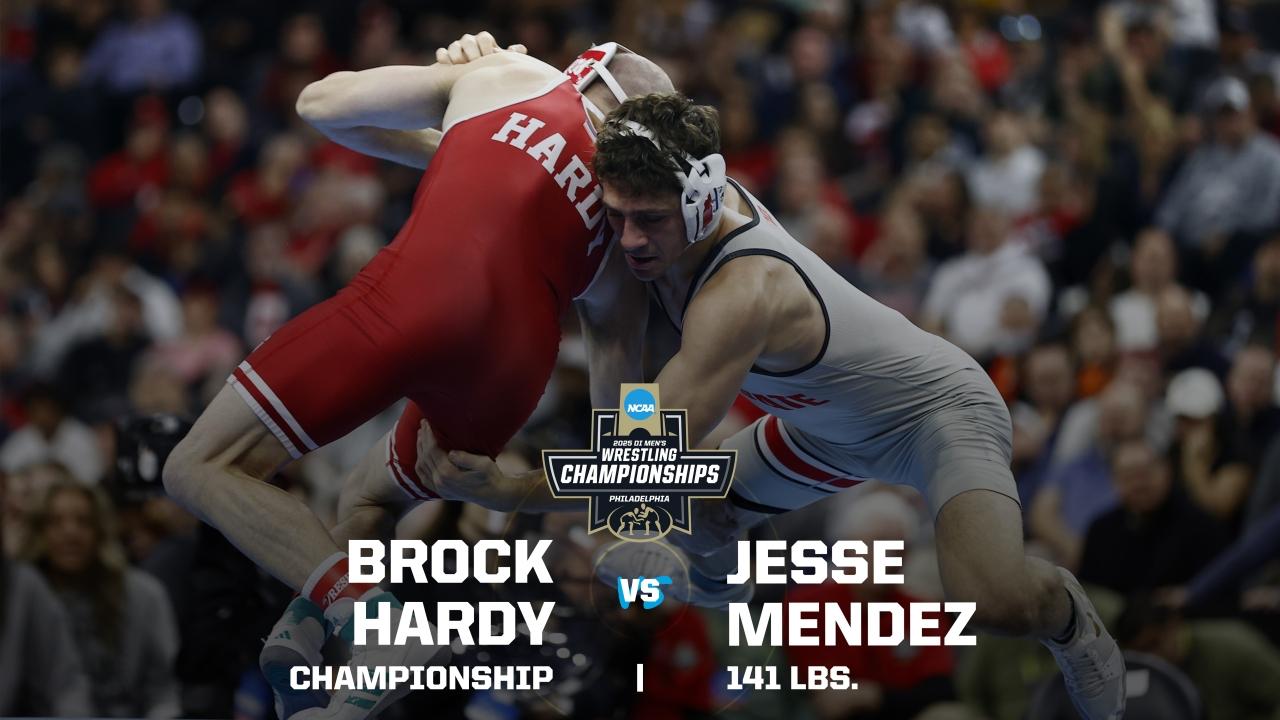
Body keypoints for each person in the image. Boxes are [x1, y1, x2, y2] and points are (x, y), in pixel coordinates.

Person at [421, 92, 1125, 719]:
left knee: (991, 601)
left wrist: (512, 490)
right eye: (616, 216)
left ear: (700, 203)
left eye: (649, 220)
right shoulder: (672, 183)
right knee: (693, 510)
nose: (628, 239)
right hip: (822, 431)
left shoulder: (743, 292)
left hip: (936, 415)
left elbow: (645, 454)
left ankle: (1069, 618)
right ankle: (720, 582)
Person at [161, 32, 675, 720]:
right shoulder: (624, 223)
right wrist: (620, 508)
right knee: (368, 497)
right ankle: (329, 662)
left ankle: (373, 624)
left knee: (194, 467)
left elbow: (320, 104)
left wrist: (450, 105)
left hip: (419, 297)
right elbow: (622, 392)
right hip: (511, 373)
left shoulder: (513, 72)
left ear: (579, 72)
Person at [23, 476, 180, 718]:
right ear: (39, 531)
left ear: (100, 529)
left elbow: (164, 689)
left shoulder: (144, 595)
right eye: (55, 522)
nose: (70, 533)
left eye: (84, 521)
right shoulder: (23, 598)